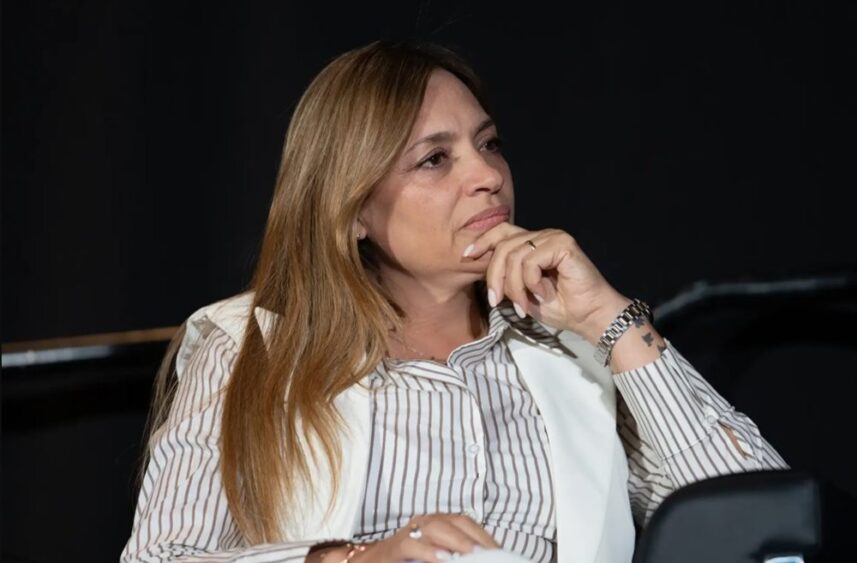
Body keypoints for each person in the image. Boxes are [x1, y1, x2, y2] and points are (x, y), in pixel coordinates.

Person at [121, 40, 788, 563]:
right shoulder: (251, 345)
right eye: (434, 159)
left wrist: (608, 321)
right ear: (352, 209)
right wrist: (353, 559)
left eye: (488, 144)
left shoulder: (577, 353)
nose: (488, 175)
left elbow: (767, 524)